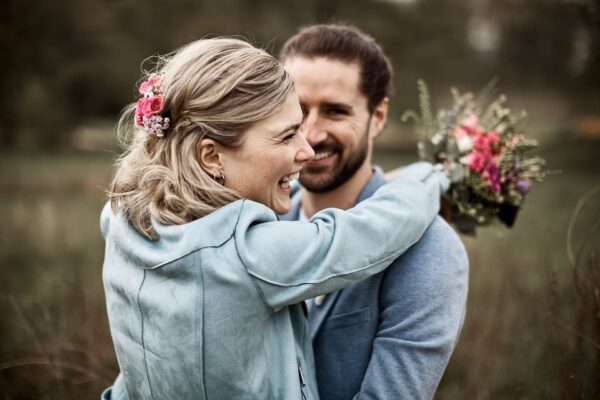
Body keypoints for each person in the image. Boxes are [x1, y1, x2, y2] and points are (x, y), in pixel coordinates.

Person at [100, 38, 448, 400]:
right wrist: (429, 177)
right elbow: (373, 233)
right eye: (286, 136)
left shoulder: (121, 220)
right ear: (211, 157)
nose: (307, 148)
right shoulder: (248, 254)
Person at [279, 24, 469, 400]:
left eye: (335, 111)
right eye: (297, 110)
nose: (310, 134)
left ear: (378, 116)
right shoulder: (258, 218)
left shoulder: (430, 249)